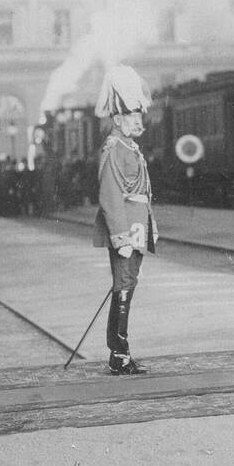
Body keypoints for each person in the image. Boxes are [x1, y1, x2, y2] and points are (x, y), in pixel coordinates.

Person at [92, 66, 159, 375]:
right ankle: (119, 354)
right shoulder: (113, 148)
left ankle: (119, 352)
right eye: (133, 114)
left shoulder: (130, 147)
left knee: (127, 286)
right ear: (117, 119)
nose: (138, 119)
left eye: (139, 114)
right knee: (123, 286)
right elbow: (110, 196)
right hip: (126, 232)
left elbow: (141, 191)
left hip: (137, 227)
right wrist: (120, 237)